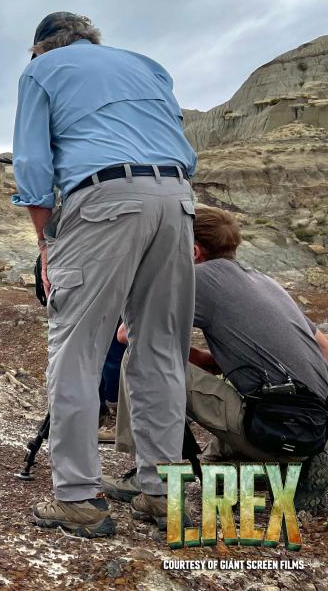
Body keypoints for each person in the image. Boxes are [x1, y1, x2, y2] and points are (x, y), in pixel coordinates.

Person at [11, 12, 198, 537]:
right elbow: (181, 144)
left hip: (101, 200)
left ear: (41, 48)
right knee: (161, 347)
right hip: (177, 199)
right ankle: (161, 491)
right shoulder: (149, 66)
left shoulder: (41, 71)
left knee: (76, 349)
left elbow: (32, 165)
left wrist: (47, 244)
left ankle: (76, 495)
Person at [104, 206, 328, 513]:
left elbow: (127, 335)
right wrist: (209, 359)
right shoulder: (261, 280)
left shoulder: (198, 278)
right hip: (308, 430)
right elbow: (321, 345)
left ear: (193, 251)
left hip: (273, 429)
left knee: (140, 357)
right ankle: (261, 470)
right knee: (211, 466)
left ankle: (148, 479)